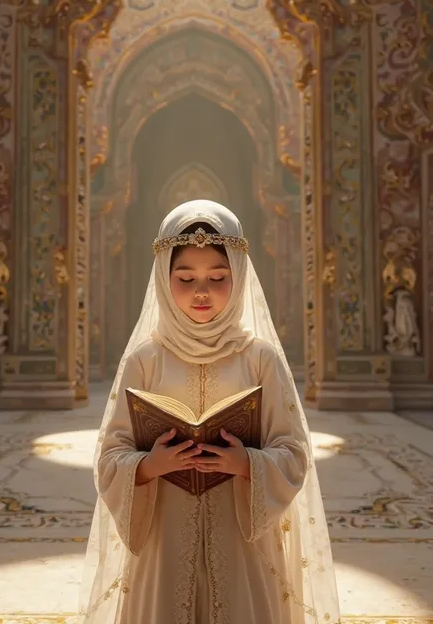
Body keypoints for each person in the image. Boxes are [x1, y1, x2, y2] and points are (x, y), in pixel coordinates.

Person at [79, 200, 340, 624]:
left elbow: (293, 454)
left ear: (238, 277)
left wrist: (247, 463)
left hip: (243, 544)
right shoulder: (145, 360)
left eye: (217, 277)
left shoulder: (260, 359)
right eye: (185, 278)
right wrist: (149, 465)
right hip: (164, 541)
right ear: (164, 279)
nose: (202, 291)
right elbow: (110, 458)